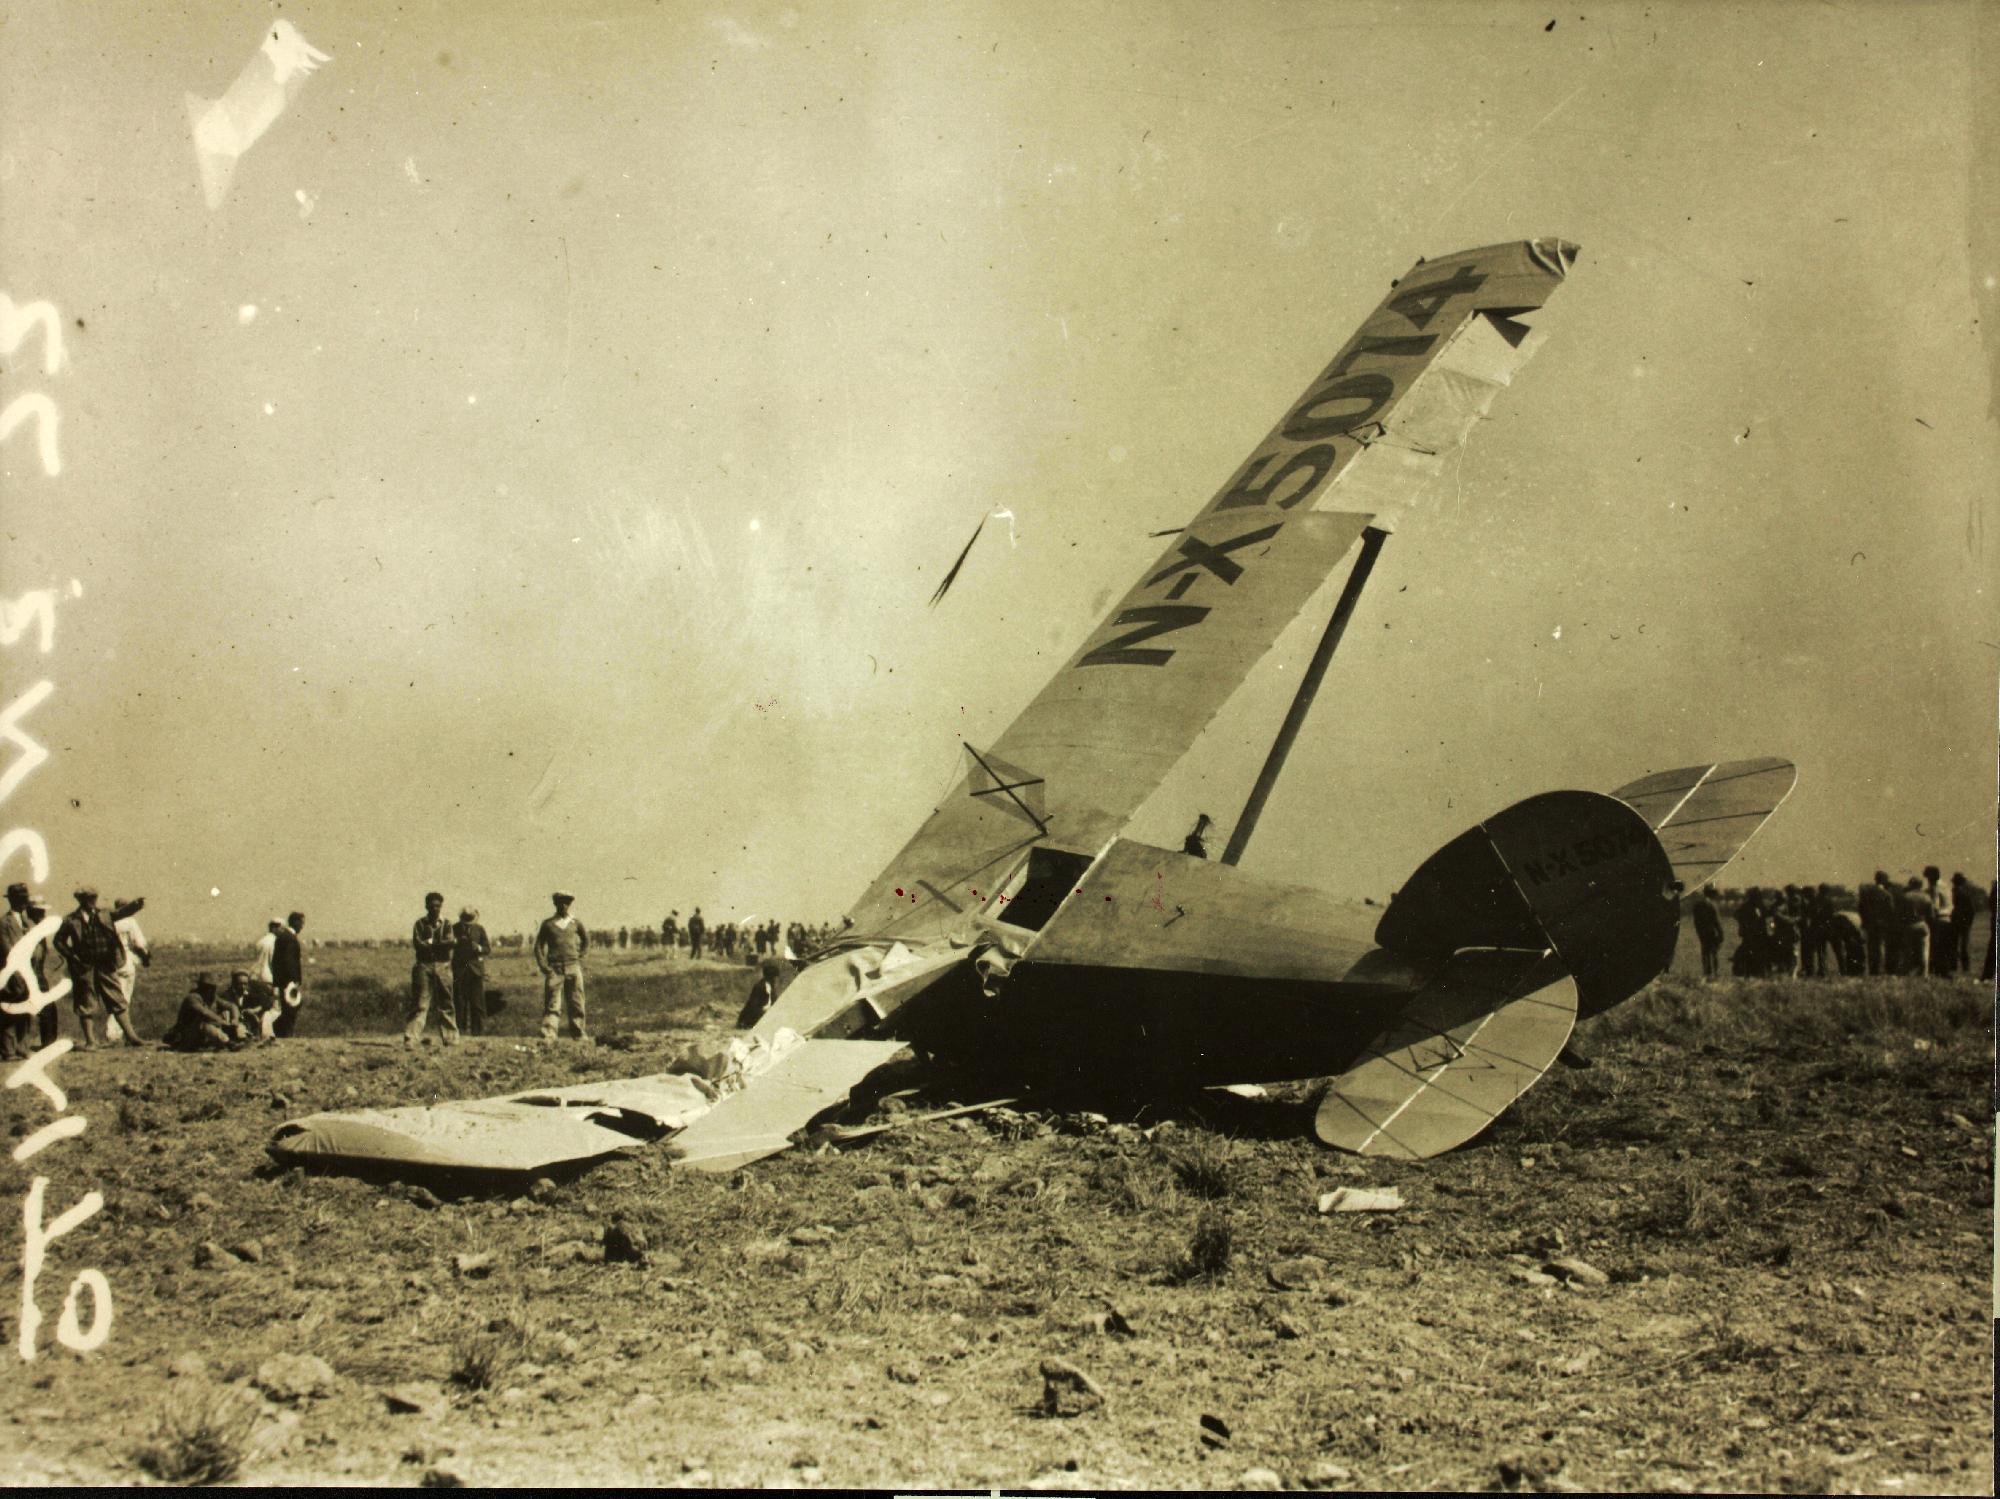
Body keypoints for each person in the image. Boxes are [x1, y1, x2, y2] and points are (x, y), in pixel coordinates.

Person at [53, 887, 142, 1048]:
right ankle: (90, 1041)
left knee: (117, 999)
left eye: (94, 897)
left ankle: (131, 1037)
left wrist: (136, 905)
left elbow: (122, 913)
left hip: (106, 964)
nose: (93, 901)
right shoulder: (70, 920)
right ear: (81, 900)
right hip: (84, 967)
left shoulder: (105, 914)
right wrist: (72, 956)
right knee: (86, 1003)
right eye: (89, 898)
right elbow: (58, 941)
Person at [534, 890, 588, 1042]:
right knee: (553, 1003)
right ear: (555, 904)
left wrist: (581, 958)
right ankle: (549, 1035)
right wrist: (544, 966)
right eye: (560, 902)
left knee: (577, 1002)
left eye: (566, 902)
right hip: (555, 969)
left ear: (569, 905)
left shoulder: (575, 923)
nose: (563, 905)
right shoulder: (548, 924)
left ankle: (579, 1034)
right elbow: (538, 946)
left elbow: (586, 941)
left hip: (573, 967)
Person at [404, 891, 458, 1047]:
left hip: (443, 965)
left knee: (446, 1002)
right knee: (420, 1002)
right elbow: (419, 945)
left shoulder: (447, 924)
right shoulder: (419, 924)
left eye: (438, 906)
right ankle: (411, 1038)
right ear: (426, 906)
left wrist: (431, 944)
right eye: (432, 906)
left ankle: (451, 1038)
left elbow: (449, 943)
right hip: (424, 965)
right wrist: (438, 944)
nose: (435, 909)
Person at [164, 973, 247, 1052]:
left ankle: (235, 1038)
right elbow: (204, 1013)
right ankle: (229, 1043)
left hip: (203, 1035)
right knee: (204, 1024)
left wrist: (235, 1019)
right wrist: (223, 1022)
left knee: (224, 1014)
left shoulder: (213, 998)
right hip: (187, 1035)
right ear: (201, 986)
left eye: (213, 987)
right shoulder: (193, 998)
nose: (211, 990)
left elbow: (232, 1006)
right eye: (208, 987)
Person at [451, 906, 491, 1036]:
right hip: (460, 969)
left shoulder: (479, 929)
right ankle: (460, 1032)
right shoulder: (454, 928)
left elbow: (487, 948)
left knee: (477, 1002)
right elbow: (447, 943)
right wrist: (456, 942)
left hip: (475, 970)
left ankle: (477, 1032)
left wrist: (478, 948)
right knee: (460, 1001)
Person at [112, 897, 151, 1017]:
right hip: (126, 960)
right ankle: (114, 1033)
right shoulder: (130, 921)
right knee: (124, 997)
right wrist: (146, 957)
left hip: (111, 962)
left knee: (114, 997)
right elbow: (139, 943)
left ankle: (114, 1031)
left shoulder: (110, 921)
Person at [271, 912, 305, 1037]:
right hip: (288, 982)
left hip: (282, 981)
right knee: (291, 1009)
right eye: (301, 923)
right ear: (295, 922)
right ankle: (284, 1034)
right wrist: (294, 981)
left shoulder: (283, 936)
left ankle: (282, 1033)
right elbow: (289, 962)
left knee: (288, 1009)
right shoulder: (290, 938)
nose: (302, 926)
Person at [223, 969, 282, 1040]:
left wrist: (255, 1010)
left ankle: (267, 1037)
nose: (242, 986)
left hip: (251, 1021)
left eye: (245, 984)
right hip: (236, 1023)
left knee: (266, 1014)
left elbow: (267, 1002)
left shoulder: (251, 993)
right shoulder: (228, 995)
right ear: (234, 984)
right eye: (240, 984)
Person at [1856, 871, 1895, 976]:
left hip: (1869, 924)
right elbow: (1891, 911)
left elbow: (1861, 908)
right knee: (1881, 947)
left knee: (1871, 948)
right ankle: (1880, 971)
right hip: (1882, 925)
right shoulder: (1887, 895)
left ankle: (1873, 971)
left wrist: (1865, 921)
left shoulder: (1867, 893)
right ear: (1884, 880)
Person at [1896, 876, 1933, 977]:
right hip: (1921, 923)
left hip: (1909, 925)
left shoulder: (1905, 896)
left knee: (1907, 951)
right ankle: (1924, 973)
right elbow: (1931, 914)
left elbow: (1900, 914)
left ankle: (1905, 972)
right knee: (1924, 950)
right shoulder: (1926, 897)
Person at [737, 959, 787, 1028]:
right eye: (774, 978)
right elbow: (754, 1006)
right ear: (771, 977)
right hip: (755, 1015)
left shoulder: (770, 987)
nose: (775, 980)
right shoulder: (760, 987)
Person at [1922, 867, 1953, 976]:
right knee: (1944, 947)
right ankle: (1943, 970)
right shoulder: (1946, 887)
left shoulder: (1935, 888)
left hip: (1938, 919)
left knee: (1936, 946)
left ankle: (1939, 970)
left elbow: (1935, 905)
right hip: (1947, 918)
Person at [1689, 889, 1725, 979]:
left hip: (1702, 932)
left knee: (1705, 952)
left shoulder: (1697, 905)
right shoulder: (1712, 905)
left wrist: (1699, 931)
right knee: (1714, 953)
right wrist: (1721, 933)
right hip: (1712, 932)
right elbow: (1717, 921)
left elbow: (1696, 921)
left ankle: (1706, 973)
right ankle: (1715, 973)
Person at [1948, 873, 1979, 974]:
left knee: (1956, 946)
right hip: (1962, 922)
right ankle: (1965, 968)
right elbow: (1972, 910)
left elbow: (1971, 910)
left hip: (1958, 921)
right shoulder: (1964, 892)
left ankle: (1955, 967)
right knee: (1962, 946)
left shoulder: (1957, 892)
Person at [254, 918, 282, 984]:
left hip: (256, 977)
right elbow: (274, 963)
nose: (282, 931)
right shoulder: (276, 942)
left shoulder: (260, 941)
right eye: (281, 928)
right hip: (268, 979)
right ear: (274, 928)